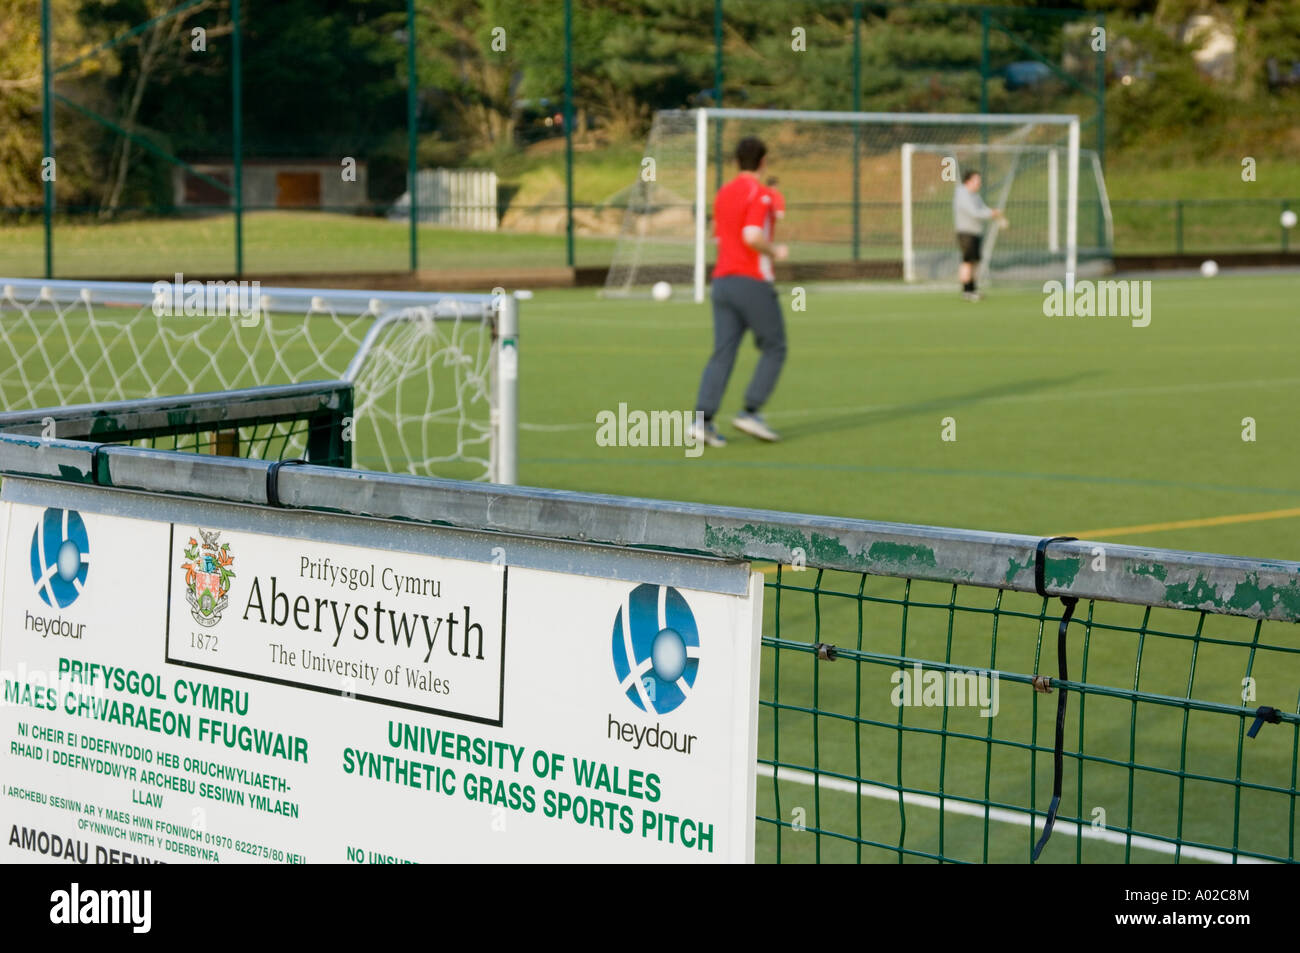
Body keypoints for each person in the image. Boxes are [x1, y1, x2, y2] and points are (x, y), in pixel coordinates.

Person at [691, 136, 787, 447]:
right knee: (775, 346)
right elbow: (752, 234)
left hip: (721, 282)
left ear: (736, 163)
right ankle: (751, 411)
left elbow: (715, 234)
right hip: (751, 282)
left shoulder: (723, 193)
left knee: (723, 352)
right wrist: (774, 252)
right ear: (763, 162)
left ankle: (702, 421)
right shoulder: (760, 194)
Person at [953, 169, 1007, 301]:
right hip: (966, 233)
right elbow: (974, 213)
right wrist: (991, 213)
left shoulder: (975, 196)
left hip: (976, 233)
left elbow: (982, 209)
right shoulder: (962, 195)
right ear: (968, 181)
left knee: (975, 262)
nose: (979, 183)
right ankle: (966, 291)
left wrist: (993, 213)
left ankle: (973, 289)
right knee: (967, 262)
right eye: (977, 180)